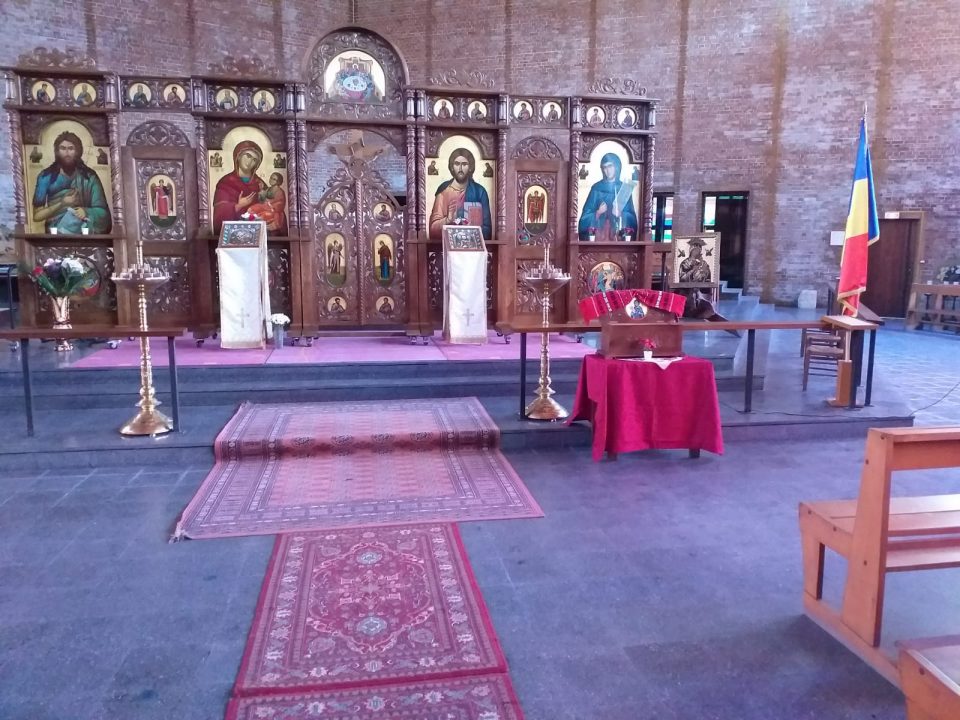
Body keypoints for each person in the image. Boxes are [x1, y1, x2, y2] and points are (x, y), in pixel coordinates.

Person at [32, 131, 112, 234]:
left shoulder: (90, 177)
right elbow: (37, 216)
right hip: (55, 232)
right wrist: (61, 204)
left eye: (71, 148)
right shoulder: (45, 177)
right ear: (57, 151)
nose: (67, 153)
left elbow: (103, 212)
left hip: (83, 232)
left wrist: (86, 211)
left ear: (78, 151)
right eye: (63, 148)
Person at [428, 148, 492, 240]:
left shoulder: (479, 192)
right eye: (457, 164)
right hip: (447, 245)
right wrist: (448, 220)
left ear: (470, 167)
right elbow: (432, 230)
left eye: (464, 164)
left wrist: (472, 229)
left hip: (473, 246)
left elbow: (487, 230)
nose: (460, 169)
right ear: (452, 167)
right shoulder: (443, 191)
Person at [577, 152, 637, 242]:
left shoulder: (624, 189)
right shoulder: (596, 188)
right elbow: (584, 218)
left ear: (616, 167)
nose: (607, 170)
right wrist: (598, 213)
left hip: (617, 238)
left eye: (610, 166)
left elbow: (632, 219)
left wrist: (620, 214)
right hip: (599, 238)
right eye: (604, 167)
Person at [212, 140, 269, 235]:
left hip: (256, 234)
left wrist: (264, 199)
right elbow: (219, 212)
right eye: (248, 156)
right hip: (233, 235)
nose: (250, 162)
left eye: (254, 160)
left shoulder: (260, 184)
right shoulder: (226, 182)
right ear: (238, 156)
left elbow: (270, 207)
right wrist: (238, 206)